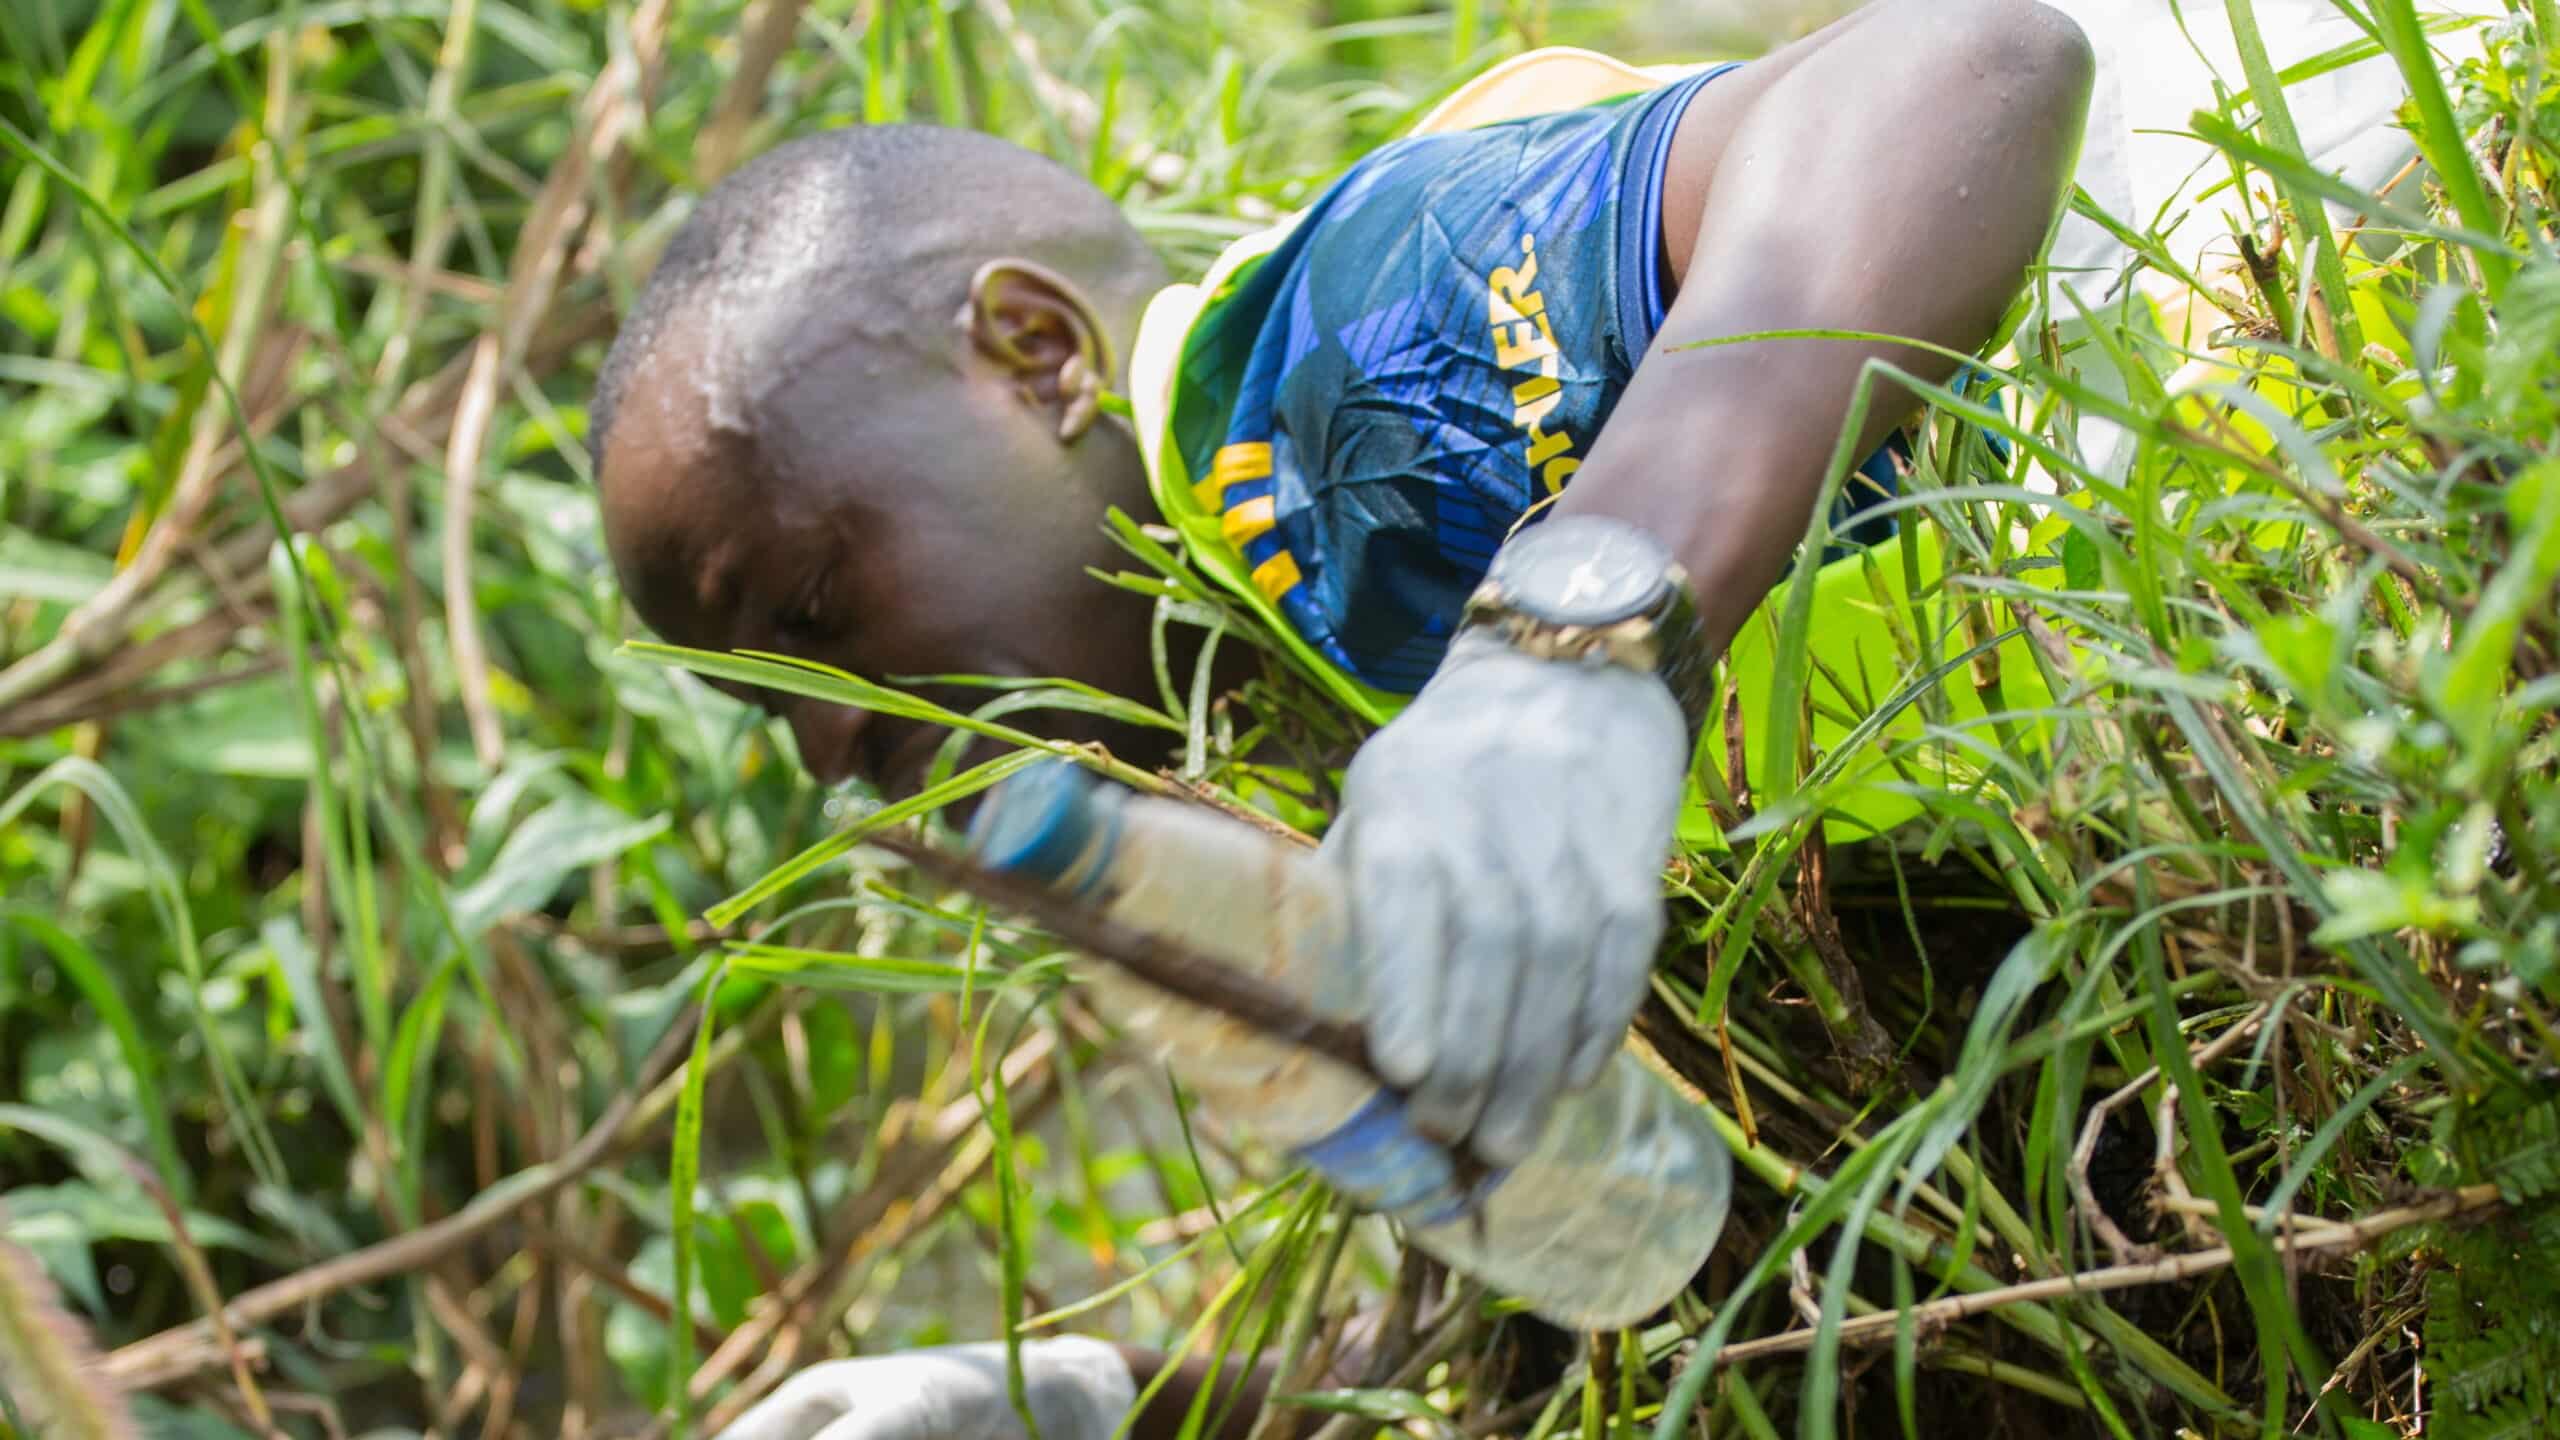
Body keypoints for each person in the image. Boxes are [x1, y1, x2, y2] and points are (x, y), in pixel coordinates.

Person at [587, 0, 2491, 1431]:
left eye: (813, 614)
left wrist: (1576, 634)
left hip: (2400, 280)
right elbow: (1577, 1324)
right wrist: (1096, 1402)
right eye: (781, 712)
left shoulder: (1325, 372)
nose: (836, 750)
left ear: (1036, 354)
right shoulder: (1312, 713)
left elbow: (1962, 64)